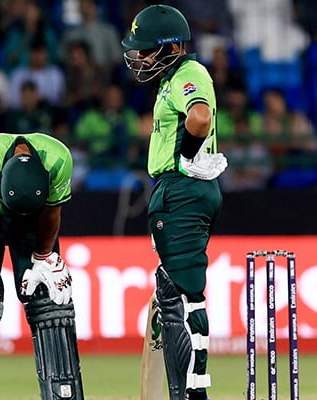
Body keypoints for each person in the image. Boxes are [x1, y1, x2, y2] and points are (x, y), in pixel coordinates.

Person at [121, 5, 227, 400]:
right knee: (181, 294)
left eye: (145, 50)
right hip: (179, 190)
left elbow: (198, 118)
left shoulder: (189, 73)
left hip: (183, 190)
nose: (139, 58)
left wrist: (186, 155)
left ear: (170, 48)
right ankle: (192, 392)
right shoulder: (173, 79)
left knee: (177, 297)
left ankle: (189, 396)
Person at [0, 133, 85, 400]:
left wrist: (45, 256)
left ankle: (63, 394)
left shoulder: (59, 159)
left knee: (48, 295)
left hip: (37, 217)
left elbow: (52, 211)